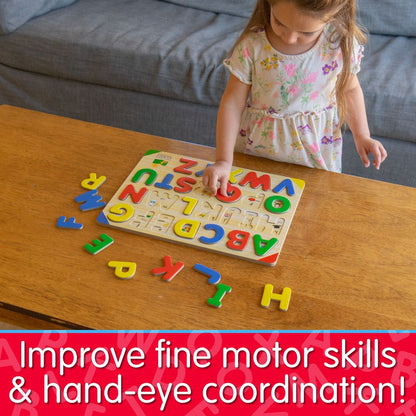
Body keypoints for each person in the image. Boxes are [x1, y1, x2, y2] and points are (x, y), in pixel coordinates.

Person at [203, 0, 387, 196]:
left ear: (334, 14)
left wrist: (362, 135)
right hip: (255, 154)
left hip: (315, 160)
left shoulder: (339, 45)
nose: (290, 38)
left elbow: (349, 91)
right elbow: (232, 103)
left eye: (307, 33)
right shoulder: (252, 46)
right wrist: (223, 160)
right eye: (280, 22)